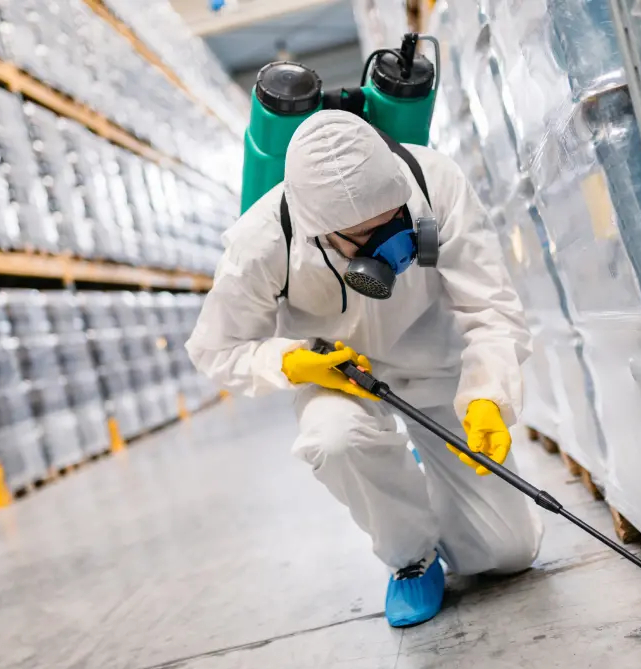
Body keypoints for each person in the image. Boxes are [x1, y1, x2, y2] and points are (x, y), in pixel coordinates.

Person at [186, 110, 543, 627]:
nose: (389, 247)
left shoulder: (434, 180)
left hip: (434, 356)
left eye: (393, 222)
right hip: (339, 374)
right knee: (335, 440)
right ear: (320, 234)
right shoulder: (261, 243)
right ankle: (411, 556)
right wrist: (290, 361)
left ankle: (430, 475)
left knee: (508, 554)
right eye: (363, 237)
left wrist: (488, 392)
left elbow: (490, 307)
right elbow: (214, 349)